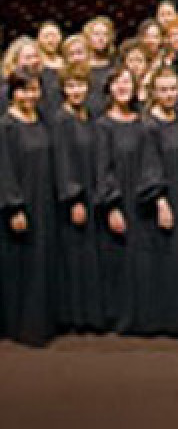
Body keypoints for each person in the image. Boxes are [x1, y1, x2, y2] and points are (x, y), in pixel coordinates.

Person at [0, 71, 59, 345]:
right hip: (21, 205)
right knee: (21, 265)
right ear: (13, 92)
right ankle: (20, 327)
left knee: (41, 262)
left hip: (44, 202)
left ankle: (41, 323)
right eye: (24, 91)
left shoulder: (41, 121)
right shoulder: (6, 126)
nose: (30, 96)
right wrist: (14, 207)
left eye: (34, 90)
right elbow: (4, 170)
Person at [136, 67, 178, 336]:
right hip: (163, 200)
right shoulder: (148, 126)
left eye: (172, 89)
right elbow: (149, 167)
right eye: (163, 90)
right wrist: (160, 202)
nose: (169, 95)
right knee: (163, 257)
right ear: (154, 93)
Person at [50, 64, 103, 333]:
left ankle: (90, 315)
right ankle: (75, 318)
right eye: (70, 86)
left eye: (80, 85)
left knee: (88, 256)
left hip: (92, 194)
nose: (76, 90)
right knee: (74, 256)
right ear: (63, 89)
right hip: (75, 199)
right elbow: (63, 163)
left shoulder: (89, 115)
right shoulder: (61, 120)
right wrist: (74, 200)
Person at [95, 66, 147, 333]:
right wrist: (112, 207)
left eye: (128, 82)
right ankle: (119, 318)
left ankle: (141, 316)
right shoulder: (103, 125)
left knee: (141, 260)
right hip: (118, 200)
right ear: (109, 89)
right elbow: (102, 170)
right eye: (117, 83)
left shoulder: (141, 120)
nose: (123, 87)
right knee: (119, 259)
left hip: (141, 199)